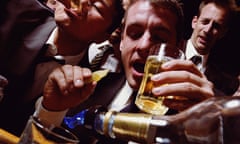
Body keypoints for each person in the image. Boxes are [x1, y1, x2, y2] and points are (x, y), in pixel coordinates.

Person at [34, 0, 214, 143]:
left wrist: (212, 130)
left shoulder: (188, 122)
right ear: (121, 42)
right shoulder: (88, 87)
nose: (144, 46)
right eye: (135, 34)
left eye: (159, 38)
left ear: (179, 47)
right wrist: (51, 110)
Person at [0, 0, 124, 136]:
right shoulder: (14, 11)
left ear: (104, 36)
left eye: (96, 6)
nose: (81, 3)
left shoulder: (86, 92)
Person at [181, 0, 239, 96]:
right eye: (205, 22)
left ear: (223, 33)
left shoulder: (225, 82)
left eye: (216, 26)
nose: (207, 30)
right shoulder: (168, 49)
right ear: (194, 22)